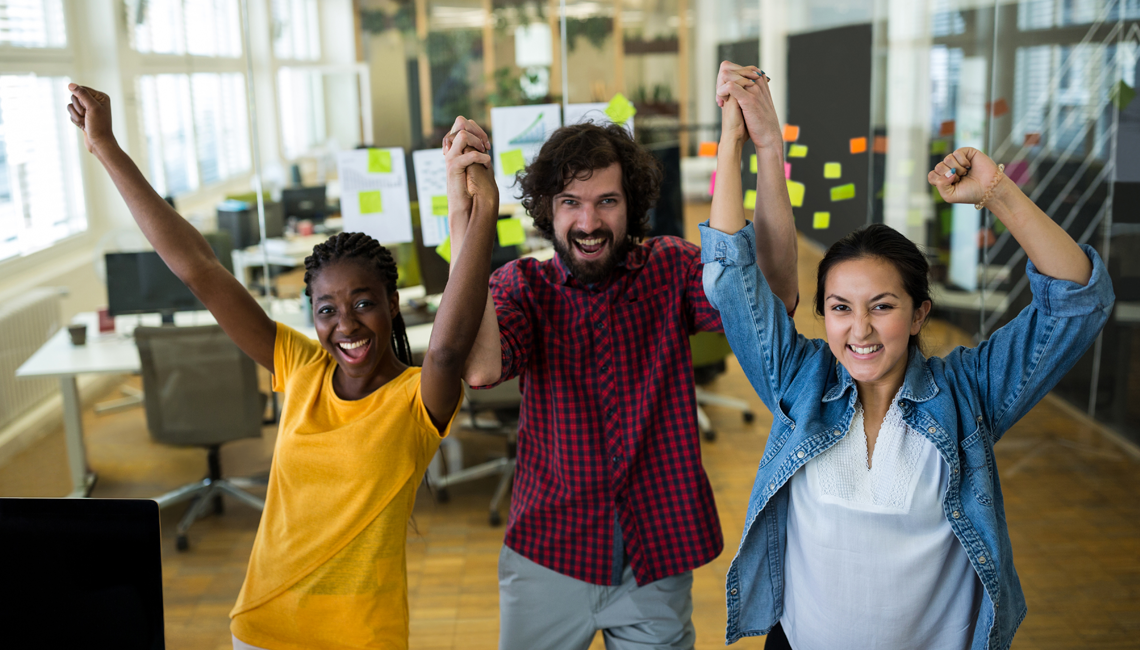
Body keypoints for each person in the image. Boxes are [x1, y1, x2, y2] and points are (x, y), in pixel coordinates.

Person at [66, 83, 500, 650]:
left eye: (363, 302)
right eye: (327, 310)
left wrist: (478, 208)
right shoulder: (299, 366)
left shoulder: (419, 399)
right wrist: (105, 147)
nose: (345, 324)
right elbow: (197, 267)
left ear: (392, 303)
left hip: (361, 637)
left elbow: (445, 349)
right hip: (263, 627)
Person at [702, 74, 1114, 649]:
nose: (861, 329)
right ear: (824, 313)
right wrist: (736, 139)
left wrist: (998, 192)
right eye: (841, 308)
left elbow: (1077, 303)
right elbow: (731, 279)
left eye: (883, 306)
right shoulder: (800, 383)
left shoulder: (968, 395)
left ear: (919, 314)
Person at [440, 61, 798, 650]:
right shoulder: (522, 286)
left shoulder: (670, 267)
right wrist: (465, 210)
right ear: (547, 212)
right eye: (570, 203)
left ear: (631, 205)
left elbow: (776, 296)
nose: (588, 221)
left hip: (655, 551)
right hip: (549, 553)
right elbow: (479, 367)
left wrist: (765, 147)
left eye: (607, 201)